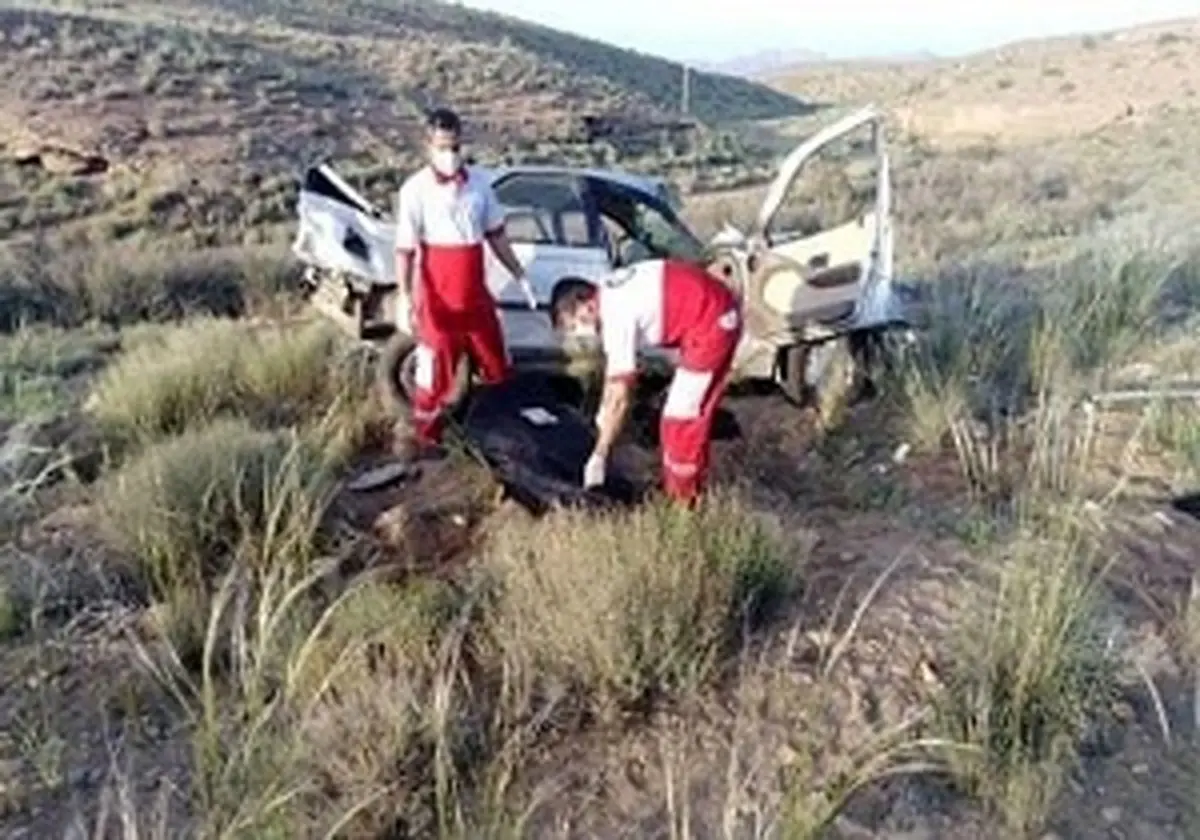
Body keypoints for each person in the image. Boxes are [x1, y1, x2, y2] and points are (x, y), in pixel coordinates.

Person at [394, 107, 536, 453]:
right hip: (438, 302)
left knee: (498, 368)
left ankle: (501, 438)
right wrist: (404, 295)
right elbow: (405, 250)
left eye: (455, 146)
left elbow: (496, 235)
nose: (451, 154)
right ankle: (427, 444)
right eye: (443, 147)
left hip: (475, 297)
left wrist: (519, 273)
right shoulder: (415, 190)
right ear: (428, 146)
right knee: (432, 379)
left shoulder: (480, 185)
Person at [549, 258, 743, 505]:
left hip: (711, 324)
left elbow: (620, 394)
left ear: (585, 306)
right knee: (687, 413)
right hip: (710, 310)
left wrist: (600, 453)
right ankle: (687, 485)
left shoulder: (615, 316)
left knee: (680, 419)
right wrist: (604, 412)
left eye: (574, 325)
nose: (578, 333)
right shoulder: (610, 292)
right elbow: (614, 380)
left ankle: (684, 501)